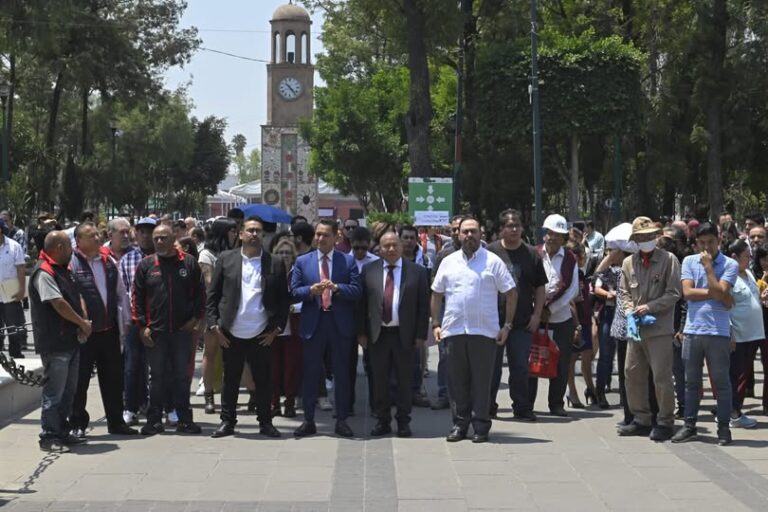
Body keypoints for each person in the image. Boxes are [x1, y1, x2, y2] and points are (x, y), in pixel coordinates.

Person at [431, 216, 517, 443]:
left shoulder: (493, 261)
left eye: (473, 231)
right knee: (457, 382)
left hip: (485, 333)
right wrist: (436, 324)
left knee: (482, 382)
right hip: (454, 331)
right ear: (458, 235)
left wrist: (507, 325)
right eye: (465, 232)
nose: (469, 235)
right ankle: (459, 425)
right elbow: (437, 293)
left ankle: (481, 425)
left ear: (481, 235)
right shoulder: (448, 261)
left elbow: (510, 292)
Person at [207, 217, 289, 438]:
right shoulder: (225, 259)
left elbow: (283, 300)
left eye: (258, 231)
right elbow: (213, 297)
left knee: (264, 380)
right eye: (250, 230)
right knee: (230, 379)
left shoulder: (275, 263)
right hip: (231, 332)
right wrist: (215, 327)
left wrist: (277, 330)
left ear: (263, 235)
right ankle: (227, 422)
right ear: (241, 234)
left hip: (263, 333)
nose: (254, 234)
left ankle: (266, 422)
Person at [291, 219, 362, 437]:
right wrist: (310, 291)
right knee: (311, 373)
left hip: (338, 323)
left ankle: (341, 419)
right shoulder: (303, 261)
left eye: (325, 235)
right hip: (314, 321)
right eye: (318, 234)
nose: (320, 238)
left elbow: (357, 291)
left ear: (336, 237)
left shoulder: (347, 262)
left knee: (341, 373)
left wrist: (338, 288)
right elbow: (293, 291)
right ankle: (308, 420)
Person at [132, 224, 206, 435]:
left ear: (174, 237)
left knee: (182, 377)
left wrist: (195, 319)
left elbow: (201, 294)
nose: (160, 242)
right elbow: (136, 298)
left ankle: (184, 419)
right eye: (157, 238)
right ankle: (154, 420)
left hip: (182, 331)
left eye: (164, 238)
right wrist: (142, 326)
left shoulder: (189, 263)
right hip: (155, 333)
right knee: (157, 377)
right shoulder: (146, 265)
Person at [68, 222, 137, 438]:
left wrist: (126, 321)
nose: (98, 239)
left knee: (114, 380)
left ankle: (116, 422)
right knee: (80, 381)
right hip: (83, 334)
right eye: (91, 236)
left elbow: (121, 293)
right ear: (79, 241)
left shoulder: (108, 261)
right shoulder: (71, 263)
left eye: (98, 235)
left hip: (109, 331)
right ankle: (77, 423)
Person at [358, 232, 430, 437]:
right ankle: (382, 420)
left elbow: (423, 307)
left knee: (405, 381)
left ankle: (404, 421)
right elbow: (362, 305)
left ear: (401, 247)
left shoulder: (417, 272)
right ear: (379, 248)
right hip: (378, 335)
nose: (390, 249)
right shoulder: (369, 271)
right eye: (386, 246)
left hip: (404, 336)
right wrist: (361, 332)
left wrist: (420, 335)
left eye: (394, 245)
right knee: (379, 381)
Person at [616, 217, 681, 441]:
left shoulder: (669, 260)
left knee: (661, 377)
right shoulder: (628, 263)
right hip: (636, 329)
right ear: (635, 240)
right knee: (632, 373)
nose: (646, 240)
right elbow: (623, 292)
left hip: (659, 328)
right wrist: (629, 310)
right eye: (641, 237)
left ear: (656, 237)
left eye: (649, 236)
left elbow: (674, 293)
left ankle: (665, 421)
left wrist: (650, 307)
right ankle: (641, 418)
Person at [673, 222, 738, 445]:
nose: (706, 247)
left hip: (718, 331)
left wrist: (710, 268)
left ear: (719, 240)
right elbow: (688, 293)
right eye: (702, 243)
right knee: (691, 382)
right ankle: (689, 425)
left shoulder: (729, 264)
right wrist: (718, 294)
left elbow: (723, 294)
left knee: (721, 383)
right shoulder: (689, 261)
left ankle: (723, 428)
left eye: (711, 242)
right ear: (695, 243)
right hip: (692, 330)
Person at [30, 230, 92, 452]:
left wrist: (83, 320)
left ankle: (62, 431)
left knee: (68, 392)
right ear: (58, 248)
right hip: (55, 344)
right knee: (54, 393)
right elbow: (58, 303)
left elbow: (76, 296)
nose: (72, 251)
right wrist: (82, 323)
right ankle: (49, 436)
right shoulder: (44, 272)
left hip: (70, 341)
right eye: (68, 246)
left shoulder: (63, 270)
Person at [487, 209, 546, 421]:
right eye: (509, 226)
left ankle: (522, 407)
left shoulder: (531, 254)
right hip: (493, 321)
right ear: (501, 230)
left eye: (517, 226)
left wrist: (537, 314)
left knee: (520, 367)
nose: (514, 230)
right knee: (491, 369)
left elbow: (540, 287)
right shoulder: (490, 252)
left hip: (522, 321)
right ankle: (488, 406)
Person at [530, 214, 579, 417]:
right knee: (531, 359)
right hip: (535, 317)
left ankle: (556, 403)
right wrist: (537, 310)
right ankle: (526, 404)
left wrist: (550, 310)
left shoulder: (570, 258)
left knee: (560, 361)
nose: (553, 238)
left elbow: (573, 289)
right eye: (550, 233)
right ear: (545, 234)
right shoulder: (534, 254)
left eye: (558, 235)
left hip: (561, 319)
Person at [197, 218, 238, 414]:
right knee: (210, 353)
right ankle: (209, 395)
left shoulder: (234, 253)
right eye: (231, 231)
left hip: (235, 310)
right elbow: (210, 283)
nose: (235, 235)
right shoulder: (206, 255)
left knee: (235, 355)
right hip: (213, 310)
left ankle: (232, 396)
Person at [119, 217, 157, 426]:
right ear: (136, 232)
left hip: (159, 321)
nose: (146, 234)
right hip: (135, 322)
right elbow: (123, 292)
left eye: (149, 231)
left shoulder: (165, 257)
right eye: (142, 231)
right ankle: (130, 407)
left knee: (159, 367)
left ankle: (160, 407)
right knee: (132, 366)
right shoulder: (128, 259)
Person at [725, 240, 762, 429]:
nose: (750, 259)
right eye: (747, 256)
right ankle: (733, 413)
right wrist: (730, 332)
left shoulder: (748, 273)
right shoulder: (728, 277)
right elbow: (725, 306)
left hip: (753, 333)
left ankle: (734, 410)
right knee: (736, 375)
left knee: (744, 374)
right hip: (738, 334)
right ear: (734, 257)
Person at [430, 215, 463, 411]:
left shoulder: (482, 251)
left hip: (469, 312)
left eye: (460, 228)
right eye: (454, 230)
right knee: (445, 353)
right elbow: (435, 286)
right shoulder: (444, 254)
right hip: (447, 310)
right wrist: (435, 320)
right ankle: (444, 393)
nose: (457, 233)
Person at [270, 238, 302, 418]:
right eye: (281, 253)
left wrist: (294, 308)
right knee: (273, 367)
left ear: (293, 256)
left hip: (294, 326)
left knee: (291, 367)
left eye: (287, 253)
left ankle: (289, 402)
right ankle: (274, 403)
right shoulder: (270, 272)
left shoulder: (298, 274)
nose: (284, 256)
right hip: (274, 328)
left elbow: (306, 296)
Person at [566, 242, 597, 409]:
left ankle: (590, 388)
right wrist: (577, 325)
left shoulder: (581, 274)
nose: (585, 258)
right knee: (571, 359)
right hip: (574, 322)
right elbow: (570, 300)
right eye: (583, 256)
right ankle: (572, 392)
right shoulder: (570, 275)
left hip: (585, 320)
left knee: (587, 356)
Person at [0, 218, 27, 358]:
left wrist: (22, 290)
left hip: (10, 292)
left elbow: (21, 268)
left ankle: (15, 351)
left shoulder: (14, 246)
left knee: (13, 325)